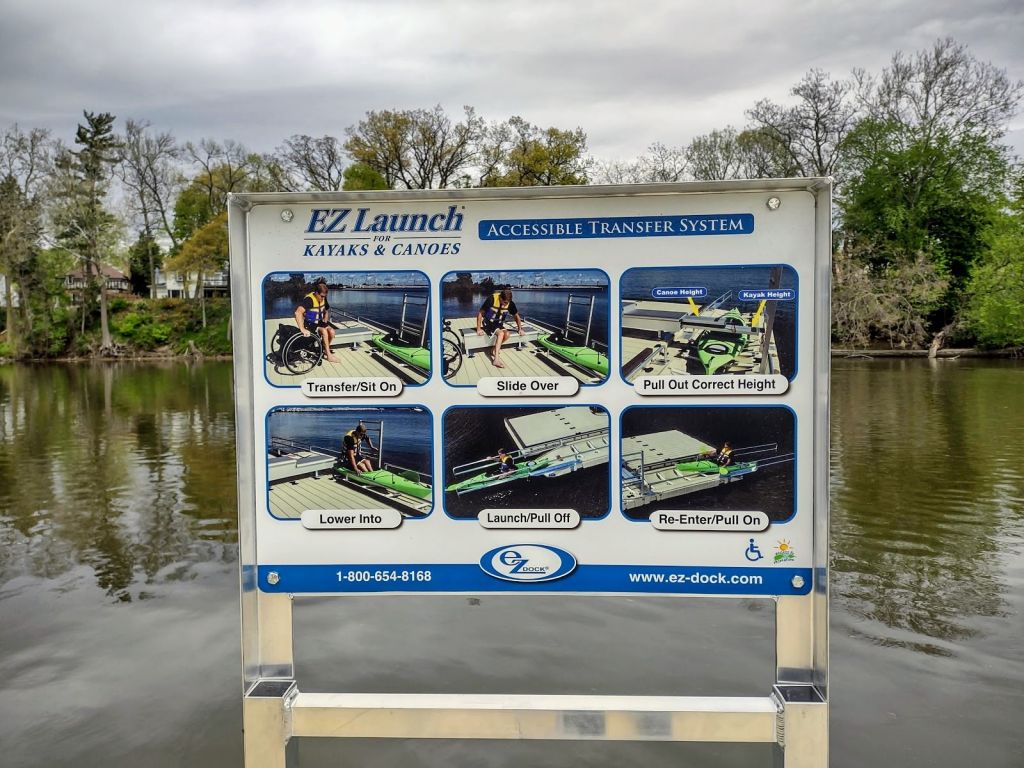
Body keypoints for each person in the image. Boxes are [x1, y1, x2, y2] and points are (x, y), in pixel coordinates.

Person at [476, 284, 523, 369]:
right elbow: (480, 313)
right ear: (500, 298)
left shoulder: (510, 303)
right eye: (504, 302)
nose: (506, 304)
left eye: (507, 303)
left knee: (507, 334)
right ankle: (496, 359)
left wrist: (520, 329)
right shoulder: (491, 299)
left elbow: (516, 316)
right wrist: (478, 329)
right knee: (501, 333)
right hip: (488, 322)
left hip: (498, 323)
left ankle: (493, 349)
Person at [293, 277, 339, 363]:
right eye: (321, 296)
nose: (323, 298)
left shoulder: (323, 297)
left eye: (324, 297)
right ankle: (329, 355)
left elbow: (326, 310)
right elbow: (297, 313)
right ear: (316, 293)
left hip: (319, 322)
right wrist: (302, 329)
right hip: (310, 324)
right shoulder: (309, 299)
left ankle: (325, 349)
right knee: (324, 332)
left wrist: (325, 318)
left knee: (332, 332)